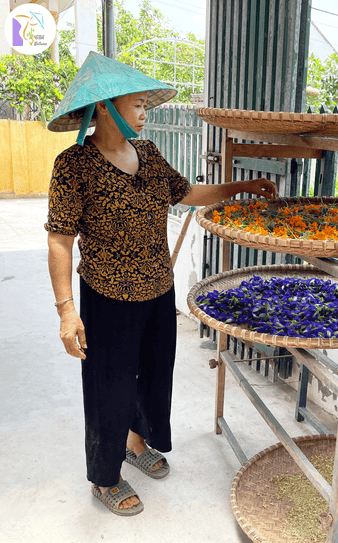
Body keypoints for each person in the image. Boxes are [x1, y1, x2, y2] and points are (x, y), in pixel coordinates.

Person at [45, 52, 277, 516]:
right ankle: (106, 477)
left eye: (145, 105)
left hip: (156, 289)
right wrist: (66, 309)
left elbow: (185, 193)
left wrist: (236, 188)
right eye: (136, 105)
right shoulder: (74, 164)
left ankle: (136, 443)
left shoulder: (148, 154)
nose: (145, 113)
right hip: (106, 293)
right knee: (109, 384)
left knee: (153, 375)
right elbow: (60, 240)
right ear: (105, 108)